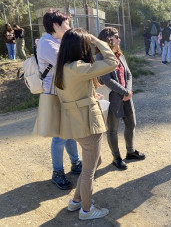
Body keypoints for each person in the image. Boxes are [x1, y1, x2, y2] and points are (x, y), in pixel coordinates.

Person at [55, 28, 119, 220]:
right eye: (87, 44)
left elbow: (72, 93)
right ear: (80, 46)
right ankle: (86, 209)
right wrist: (98, 41)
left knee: (93, 162)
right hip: (88, 124)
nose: (89, 47)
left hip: (75, 123)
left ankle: (76, 201)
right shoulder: (78, 67)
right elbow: (112, 62)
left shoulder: (63, 67)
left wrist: (89, 96)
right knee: (90, 169)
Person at [37, 9, 82, 190]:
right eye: (66, 23)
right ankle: (57, 172)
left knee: (68, 130)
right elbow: (68, 63)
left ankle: (76, 162)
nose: (69, 27)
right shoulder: (47, 43)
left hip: (63, 91)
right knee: (60, 135)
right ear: (55, 25)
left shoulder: (57, 40)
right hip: (55, 94)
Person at [97, 27, 145, 170]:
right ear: (108, 39)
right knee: (112, 130)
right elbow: (106, 79)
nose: (119, 39)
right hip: (113, 98)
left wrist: (128, 91)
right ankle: (116, 158)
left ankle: (130, 152)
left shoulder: (119, 55)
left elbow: (128, 74)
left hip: (126, 96)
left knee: (131, 124)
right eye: (116, 37)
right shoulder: (100, 57)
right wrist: (124, 92)